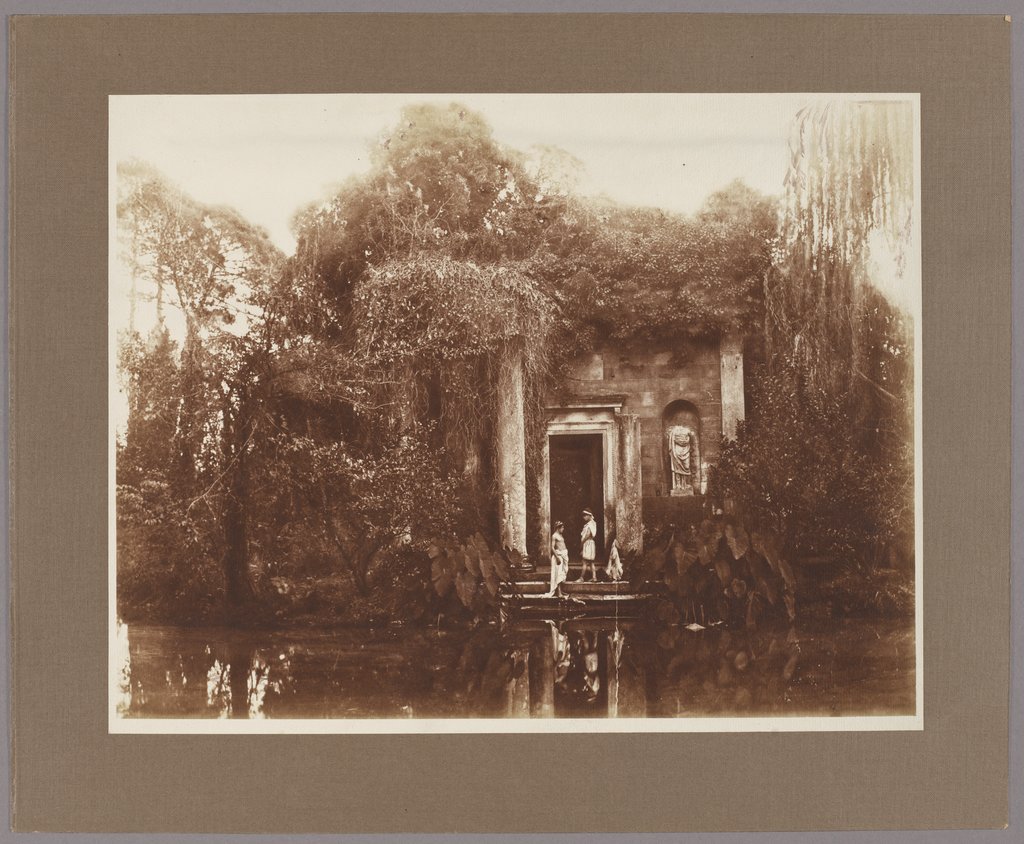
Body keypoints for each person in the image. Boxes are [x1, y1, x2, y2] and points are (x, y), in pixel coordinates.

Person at [546, 521, 569, 597]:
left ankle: (561, 590)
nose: (563, 529)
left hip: (564, 555)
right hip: (558, 555)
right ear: (558, 528)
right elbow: (552, 547)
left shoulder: (560, 535)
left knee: (563, 573)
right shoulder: (554, 536)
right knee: (558, 573)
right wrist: (557, 557)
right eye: (562, 527)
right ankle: (558, 592)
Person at [577, 509, 598, 582]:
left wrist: (582, 543)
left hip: (588, 543)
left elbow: (587, 535)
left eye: (585, 515)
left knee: (584, 562)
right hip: (590, 543)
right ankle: (594, 577)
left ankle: (581, 578)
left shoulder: (590, 524)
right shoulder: (592, 523)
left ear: (590, 515)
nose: (584, 517)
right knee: (591, 562)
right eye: (583, 516)